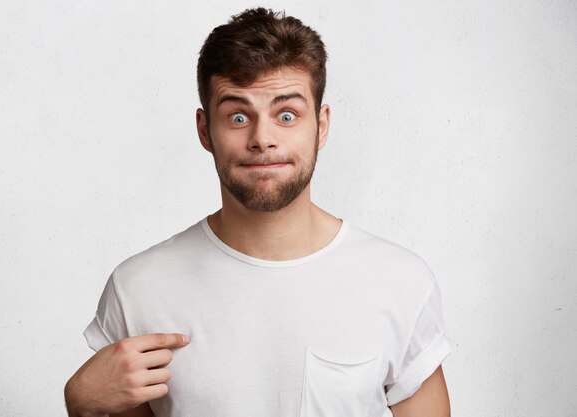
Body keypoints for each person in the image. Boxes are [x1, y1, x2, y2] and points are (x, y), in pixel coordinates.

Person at [64, 7, 451, 417]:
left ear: (321, 126)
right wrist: (81, 407)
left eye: (287, 115)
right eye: (237, 116)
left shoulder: (399, 281)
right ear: (204, 130)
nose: (262, 138)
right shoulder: (138, 290)